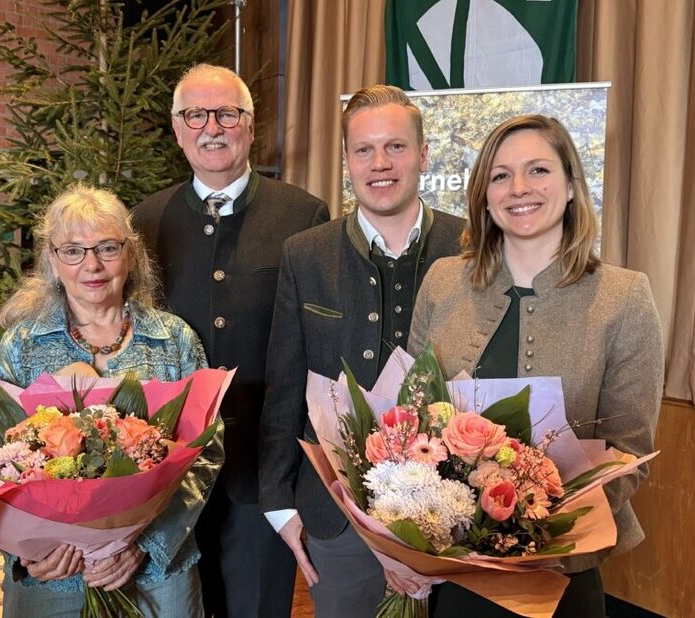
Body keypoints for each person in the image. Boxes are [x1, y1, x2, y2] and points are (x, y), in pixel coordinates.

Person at [407, 114, 664, 617]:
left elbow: (629, 453)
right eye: (500, 175)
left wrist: (533, 533)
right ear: (484, 194)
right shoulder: (441, 281)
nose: (518, 188)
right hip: (448, 570)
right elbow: (410, 416)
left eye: (538, 171)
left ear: (570, 185)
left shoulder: (624, 297)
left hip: (559, 573)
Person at [258, 84, 464, 617]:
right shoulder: (305, 254)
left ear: (423, 154)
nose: (380, 163)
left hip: (458, 512)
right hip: (334, 515)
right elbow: (284, 385)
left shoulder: (472, 248)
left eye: (395, 146)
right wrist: (280, 506)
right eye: (364, 149)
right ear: (347, 160)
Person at [130, 63, 329, 618]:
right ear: (177, 127)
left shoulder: (302, 215)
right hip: (166, 472)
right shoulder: (145, 219)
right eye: (195, 114)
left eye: (227, 113)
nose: (210, 126)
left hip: (261, 473)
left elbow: (314, 348)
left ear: (250, 125)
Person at [0, 184, 223, 617]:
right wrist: (27, 550)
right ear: (53, 261)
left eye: (107, 248)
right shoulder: (22, 345)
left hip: (155, 572)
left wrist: (143, 546)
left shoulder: (173, 339)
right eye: (73, 251)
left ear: (131, 255)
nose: (91, 265)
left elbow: (205, 454)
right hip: (51, 574)